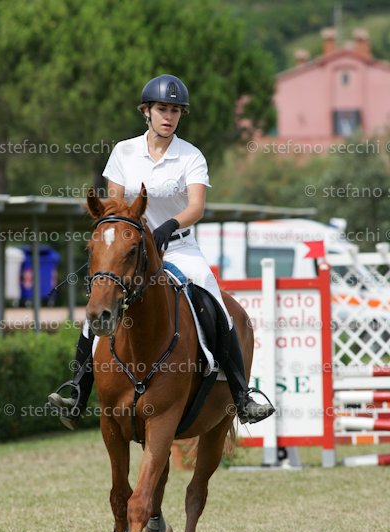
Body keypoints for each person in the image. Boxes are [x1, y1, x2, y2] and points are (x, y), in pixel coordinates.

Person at [48, 74, 275, 430]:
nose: (168, 117)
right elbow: (115, 205)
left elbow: (196, 206)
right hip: (130, 250)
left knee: (216, 302)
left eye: (175, 110)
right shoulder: (123, 152)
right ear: (146, 111)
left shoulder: (191, 156)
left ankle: (241, 394)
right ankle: (77, 391)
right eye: (161, 109)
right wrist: (125, 238)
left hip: (178, 247)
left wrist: (169, 225)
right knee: (99, 304)